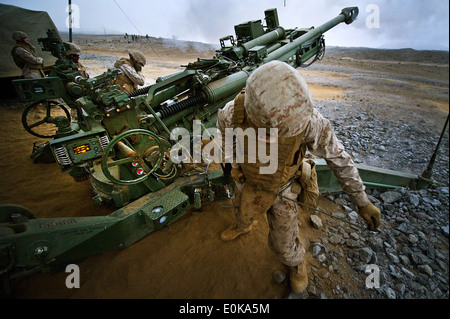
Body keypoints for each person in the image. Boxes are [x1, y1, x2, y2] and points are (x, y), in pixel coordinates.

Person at [217, 60, 381, 294]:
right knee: (241, 208)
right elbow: (225, 132)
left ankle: (295, 263)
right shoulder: (235, 112)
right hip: (247, 178)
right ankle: (242, 225)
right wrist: (234, 164)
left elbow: (338, 157)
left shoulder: (309, 123)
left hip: (282, 186)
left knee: (282, 244)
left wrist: (362, 202)